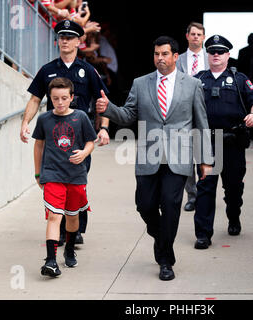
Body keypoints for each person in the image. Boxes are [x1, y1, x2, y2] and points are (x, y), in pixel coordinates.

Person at [96, 36, 213, 281]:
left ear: (175, 57)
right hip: (149, 155)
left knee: (171, 205)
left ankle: (165, 260)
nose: (159, 58)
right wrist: (108, 107)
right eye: (156, 54)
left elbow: (201, 124)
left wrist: (205, 160)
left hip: (179, 156)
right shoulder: (141, 83)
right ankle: (161, 239)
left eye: (164, 54)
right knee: (145, 205)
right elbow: (128, 115)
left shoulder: (191, 85)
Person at [20, 20, 110, 246]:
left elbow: (103, 100)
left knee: (77, 182)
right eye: (62, 37)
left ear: (79, 42)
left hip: (80, 134)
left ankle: (76, 228)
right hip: (54, 135)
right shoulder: (48, 70)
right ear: (57, 40)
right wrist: (24, 123)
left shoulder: (88, 70)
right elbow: (34, 99)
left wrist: (104, 128)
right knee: (55, 180)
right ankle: (59, 229)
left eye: (70, 37)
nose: (65, 41)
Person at [193, 35, 253, 249]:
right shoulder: (197, 80)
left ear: (228, 55)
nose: (216, 54)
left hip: (232, 143)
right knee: (205, 188)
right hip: (206, 142)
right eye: (212, 51)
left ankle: (234, 216)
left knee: (233, 188)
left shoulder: (239, 78)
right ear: (207, 54)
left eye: (220, 51)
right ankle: (203, 235)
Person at [33, 77, 97, 277]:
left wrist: (84, 153)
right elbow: (38, 146)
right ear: (50, 99)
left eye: (63, 98)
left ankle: (69, 249)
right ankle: (51, 261)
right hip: (52, 175)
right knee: (54, 216)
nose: (59, 103)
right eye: (55, 99)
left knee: (72, 216)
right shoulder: (44, 119)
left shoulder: (80, 117)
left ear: (71, 97)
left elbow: (90, 142)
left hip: (76, 176)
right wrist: (38, 173)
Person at [176, 22, 209, 212]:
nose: (196, 37)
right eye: (193, 34)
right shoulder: (178, 59)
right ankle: (192, 195)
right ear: (187, 36)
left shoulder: (210, 58)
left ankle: (205, 193)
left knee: (205, 153)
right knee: (186, 156)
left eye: (199, 34)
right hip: (184, 113)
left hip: (205, 111)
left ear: (203, 37)